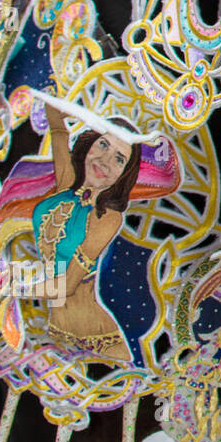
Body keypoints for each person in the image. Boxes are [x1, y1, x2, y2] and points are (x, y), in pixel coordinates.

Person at [33, 103, 142, 361]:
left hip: (97, 344)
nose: (105, 161)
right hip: (53, 331)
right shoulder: (67, 185)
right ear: (90, 141)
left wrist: (5, 283)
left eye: (119, 159)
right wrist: (81, 111)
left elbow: (67, 286)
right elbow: (55, 119)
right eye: (103, 144)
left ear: (124, 174)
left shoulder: (108, 218)